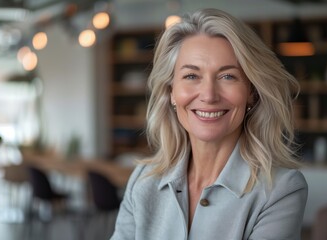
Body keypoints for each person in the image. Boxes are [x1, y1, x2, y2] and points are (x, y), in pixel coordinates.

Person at [111, 8, 308, 240]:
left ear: (251, 92)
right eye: (191, 76)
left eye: (227, 76)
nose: (209, 95)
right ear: (171, 92)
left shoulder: (281, 190)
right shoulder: (142, 181)